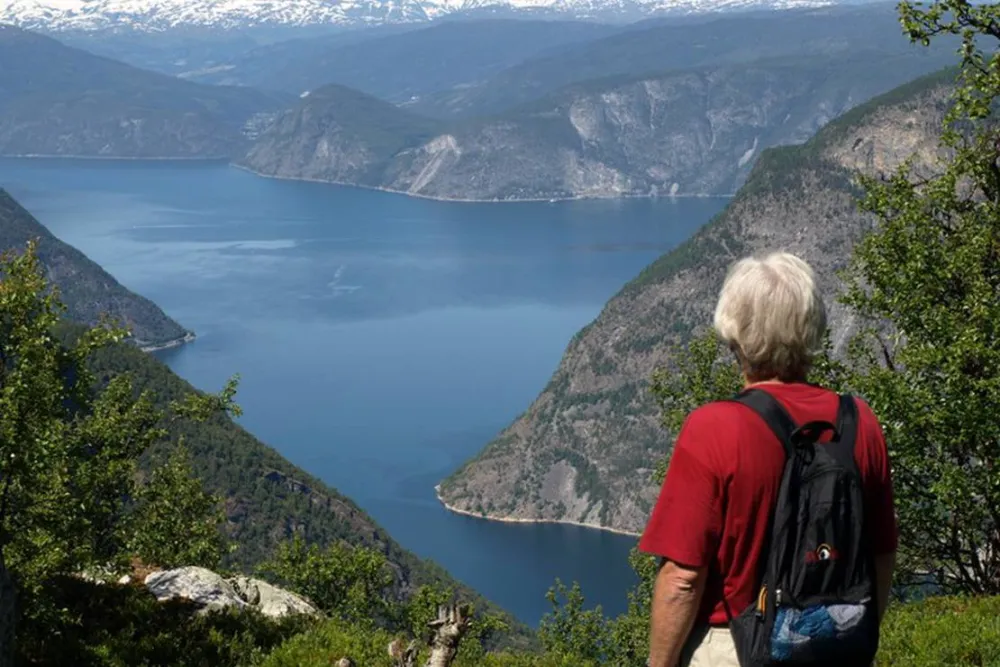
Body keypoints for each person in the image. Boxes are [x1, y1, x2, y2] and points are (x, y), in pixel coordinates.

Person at [639, 251, 897, 667]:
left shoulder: (715, 428)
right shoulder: (859, 421)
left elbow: (683, 580)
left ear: (735, 332)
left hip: (735, 648)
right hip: (837, 642)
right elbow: (882, 553)